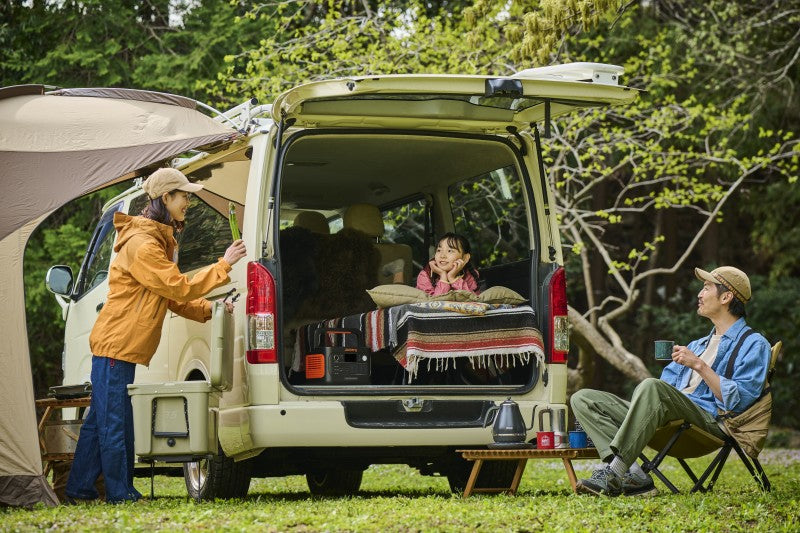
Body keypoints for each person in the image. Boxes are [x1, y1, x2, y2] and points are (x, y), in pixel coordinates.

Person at [65, 168, 247, 504]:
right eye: (184, 196)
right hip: (117, 345)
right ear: (166, 198)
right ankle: (121, 495)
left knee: (99, 421)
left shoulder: (156, 242)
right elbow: (175, 286)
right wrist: (223, 264)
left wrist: (209, 309)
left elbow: (172, 298)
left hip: (122, 347)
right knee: (114, 422)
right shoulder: (143, 244)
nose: (188, 202)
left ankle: (78, 489)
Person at [571, 266, 771, 497]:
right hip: (670, 420)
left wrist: (699, 366)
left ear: (726, 297)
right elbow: (663, 388)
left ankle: (613, 472)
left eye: (706, 288)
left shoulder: (754, 344)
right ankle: (635, 476)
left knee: (651, 386)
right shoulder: (697, 345)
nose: (699, 294)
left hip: (706, 425)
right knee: (583, 399)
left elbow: (742, 401)